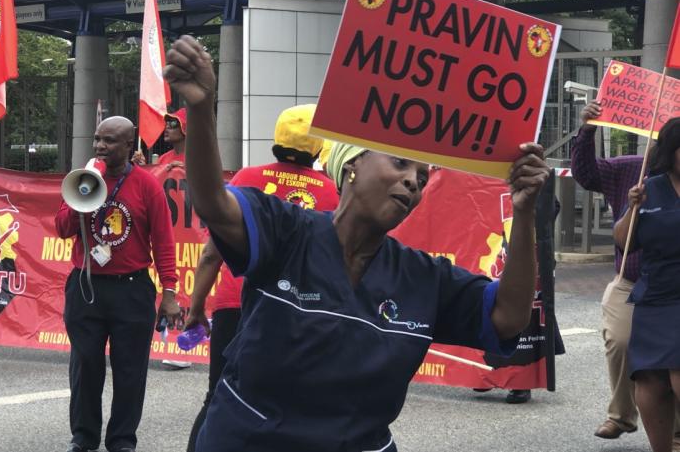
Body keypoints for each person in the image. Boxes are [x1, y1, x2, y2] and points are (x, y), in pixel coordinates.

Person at [165, 35, 548, 451]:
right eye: (401, 164)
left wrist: (524, 212)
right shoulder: (288, 231)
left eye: (422, 178)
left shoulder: (423, 276)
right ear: (351, 165)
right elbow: (213, 204)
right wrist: (201, 110)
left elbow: (509, 318)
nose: (412, 183)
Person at [183, 104, 340, 451]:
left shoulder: (246, 178)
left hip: (233, 304)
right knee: (284, 402)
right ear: (316, 146)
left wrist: (196, 308)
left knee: (219, 396)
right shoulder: (330, 193)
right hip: (296, 310)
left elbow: (212, 252)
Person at [55, 116, 182, 452]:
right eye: (97, 139)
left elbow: (163, 242)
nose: (100, 146)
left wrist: (169, 292)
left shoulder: (146, 185)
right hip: (86, 287)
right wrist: (83, 192)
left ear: (129, 145)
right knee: (85, 367)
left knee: (130, 371)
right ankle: (83, 438)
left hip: (132, 289)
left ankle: (122, 440)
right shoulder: (83, 178)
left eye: (109, 141)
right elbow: (62, 228)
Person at [572, 101, 680, 444]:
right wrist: (587, 129)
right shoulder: (638, 176)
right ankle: (622, 417)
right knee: (638, 362)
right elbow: (586, 174)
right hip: (644, 289)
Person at [614, 117, 680, 452]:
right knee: (651, 380)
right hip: (656, 296)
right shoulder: (649, 187)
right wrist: (633, 208)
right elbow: (625, 243)